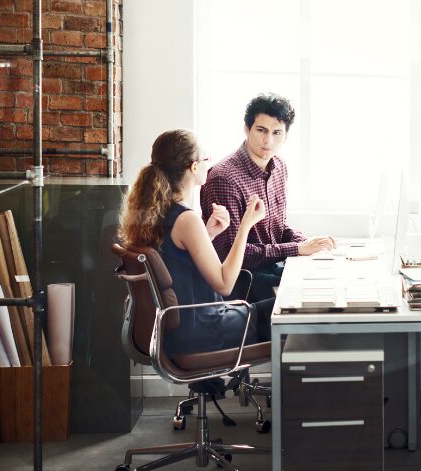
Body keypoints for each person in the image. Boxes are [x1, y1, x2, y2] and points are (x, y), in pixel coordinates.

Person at [119, 129, 274, 355]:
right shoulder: (187, 219)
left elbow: (173, 259)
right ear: (193, 166)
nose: (208, 165)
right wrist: (245, 226)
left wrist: (207, 234)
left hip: (181, 332)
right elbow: (224, 284)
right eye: (205, 159)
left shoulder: (157, 210)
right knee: (284, 313)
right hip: (203, 331)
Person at [201, 93, 334, 302]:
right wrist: (298, 249)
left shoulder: (279, 167)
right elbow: (231, 253)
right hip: (244, 284)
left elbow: (277, 228)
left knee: (329, 280)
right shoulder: (224, 178)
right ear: (246, 129)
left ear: (286, 136)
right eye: (261, 130)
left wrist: (308, 243)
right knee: (319, 300)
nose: (268, 141)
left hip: (272, 269)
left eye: (277, 133)